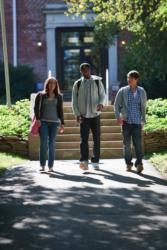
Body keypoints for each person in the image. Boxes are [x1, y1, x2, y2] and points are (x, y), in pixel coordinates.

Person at [72, 63, 106, 170]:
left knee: (97, 139)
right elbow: (74, 101)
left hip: (95, 115)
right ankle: (84, 161)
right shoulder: (77, 84)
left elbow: (102, 94)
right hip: (84, 116)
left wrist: (101, 103)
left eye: (86, 69)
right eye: (82, 70)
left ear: (89, 70)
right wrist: (77, 114)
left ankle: (95, 161)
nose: (84, 72)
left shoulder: (97, 81)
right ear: (80, 71)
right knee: (84, 139)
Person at [114, 70, 147, 173]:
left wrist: (143, 120)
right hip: (126, 122)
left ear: (136, 79)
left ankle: (139, 164)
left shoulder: (141, 91)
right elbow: (116, 105)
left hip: (137, 122)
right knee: (127, 145)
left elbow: (144, 106)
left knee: (138, 144)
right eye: (128, 78)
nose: (129, 80)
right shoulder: (123, 90)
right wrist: (118, 117)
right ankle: (128, 164)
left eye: (131, 78)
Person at [34, 77, 64, 172]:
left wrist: (62, 123)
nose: (52, 85)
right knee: (43, 143)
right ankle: (42, 165)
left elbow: (60, 110)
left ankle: (50, 166)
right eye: (50, 83)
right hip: (43, 122)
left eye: (54, 83)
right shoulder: (41, 95)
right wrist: (38, 119)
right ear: (47, 84)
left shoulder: (59, 97)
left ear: (56, 85)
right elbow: (36, 108)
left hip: (55, 123)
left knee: (51, 144)